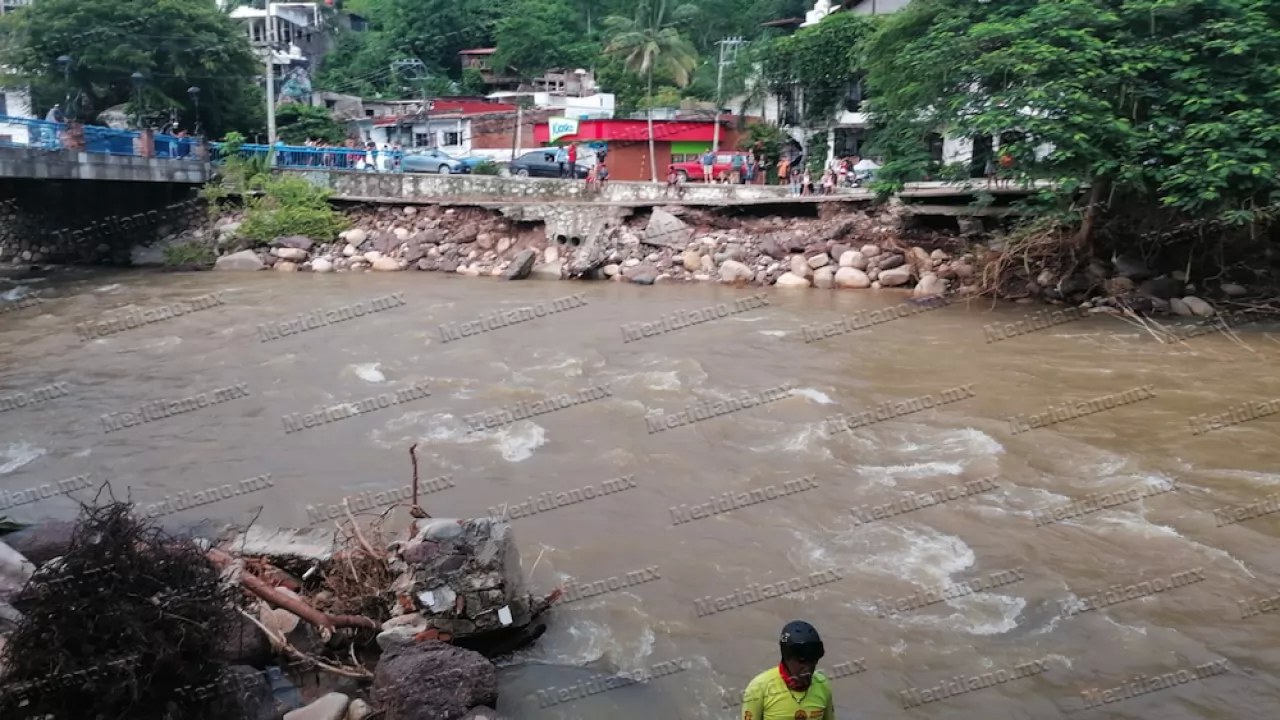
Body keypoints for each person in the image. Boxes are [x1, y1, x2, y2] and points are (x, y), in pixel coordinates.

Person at [741, 621, 835, 720]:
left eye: (812, 660)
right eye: (801, 661)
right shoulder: (758, 688)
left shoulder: (823, 685)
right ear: (786, 658)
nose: (808, 668)